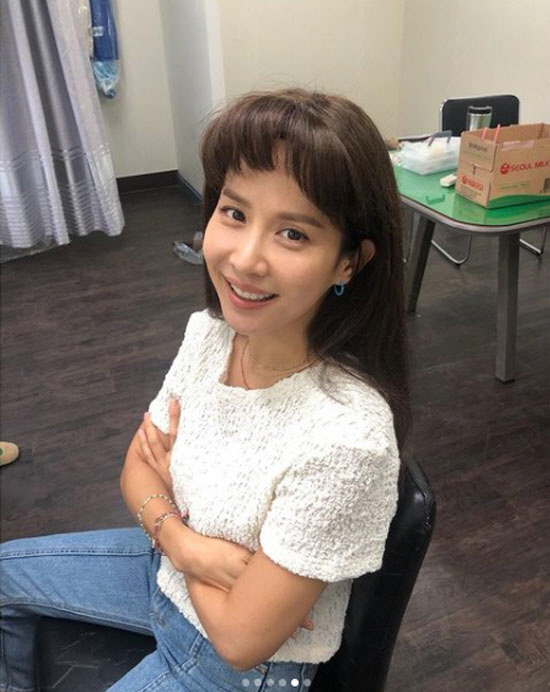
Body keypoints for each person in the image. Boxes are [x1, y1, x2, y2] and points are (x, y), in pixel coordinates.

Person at [0, 88, 411, 692]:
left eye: (293, 234)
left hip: (235, 665)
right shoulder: (212, 335)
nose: (244, 260)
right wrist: (187, 546)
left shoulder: (348, 440)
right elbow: (135, 468)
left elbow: (241, 641)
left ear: (349, 262)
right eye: (235, 213)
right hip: (166, 571)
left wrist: (168, 518)